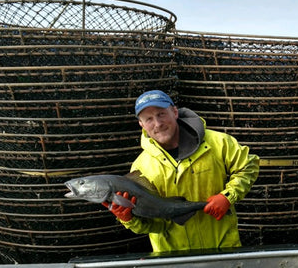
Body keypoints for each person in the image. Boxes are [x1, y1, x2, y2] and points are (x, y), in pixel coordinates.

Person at [106, 90, 260, 252]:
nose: (158, 124)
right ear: (141, 125)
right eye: (149, 119)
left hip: (223, 250)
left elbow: (248, 166)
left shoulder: (218, 142)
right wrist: (129, 219)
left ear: (174, 112)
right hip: (173, 260)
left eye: (161, 114)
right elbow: (156, 226)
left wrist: (228, 197)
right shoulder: (140, 169)